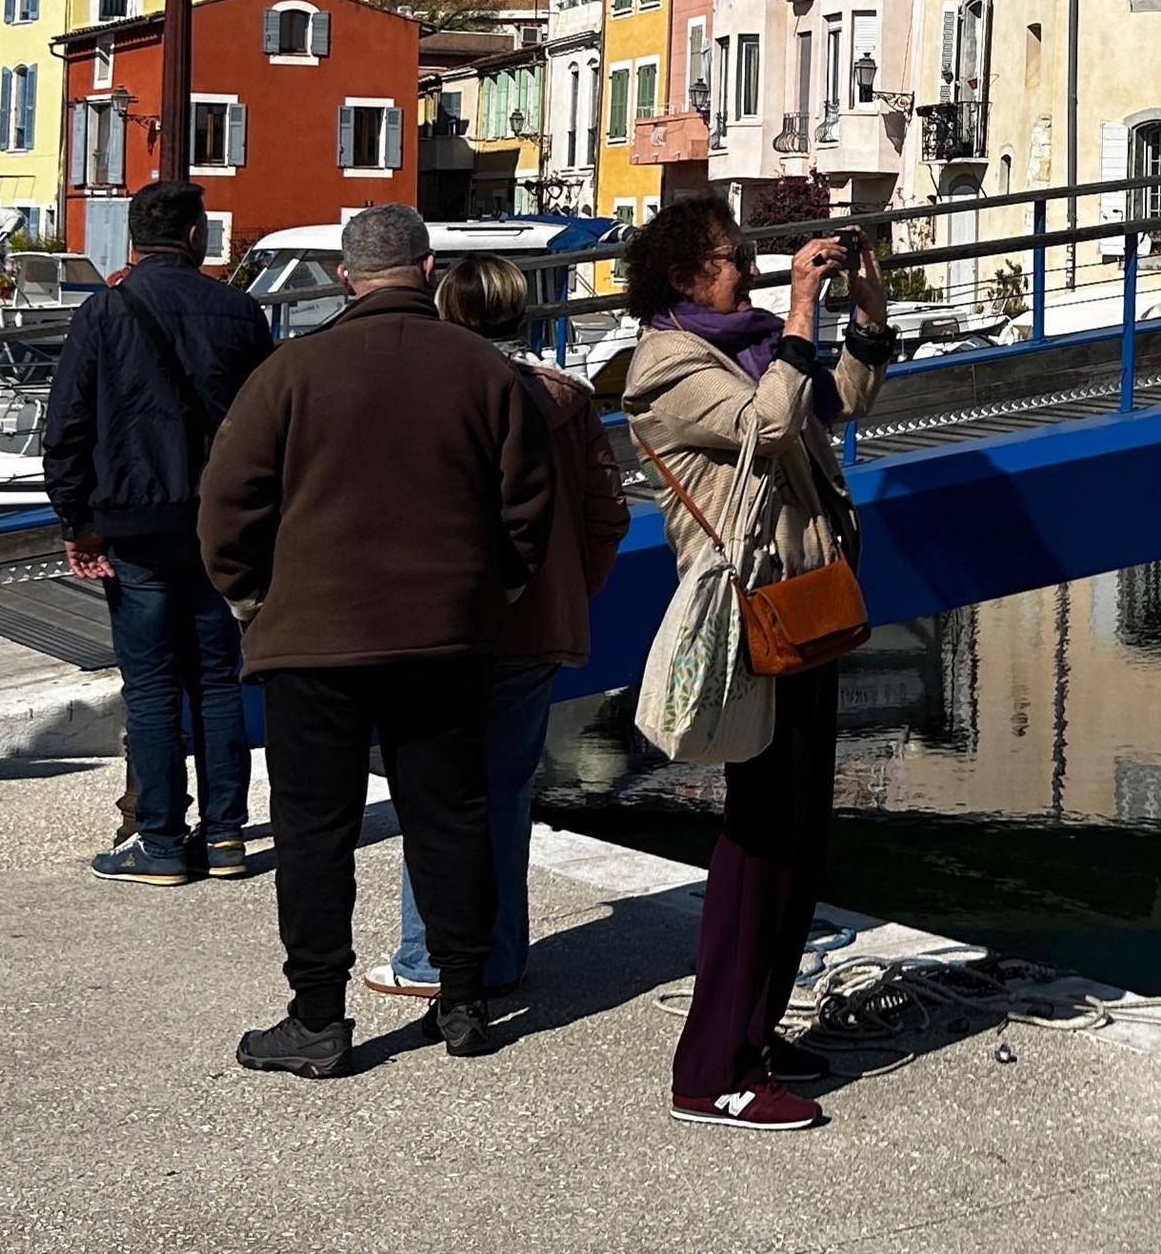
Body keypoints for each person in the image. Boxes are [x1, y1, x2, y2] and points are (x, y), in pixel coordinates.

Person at [200, 204, 554, 1079]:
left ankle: (318, 1016)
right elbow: (528, 513)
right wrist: (489, 595)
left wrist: (253, 601)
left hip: (313, 641)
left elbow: (226, 511)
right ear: (427, 269)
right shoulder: (488, 373)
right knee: (450, 816)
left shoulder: (290, 373)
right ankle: (463, 1000)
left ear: (347, 276)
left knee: (315, 830)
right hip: (445, 637)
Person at [621, 195, 892, 1133]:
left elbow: (843, 400)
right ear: (681, 276)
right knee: (759, 835)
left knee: (800, 829)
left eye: (747, 255)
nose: (750, 269)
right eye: (732, 257)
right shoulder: (666, 368)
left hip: (802, 606)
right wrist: (801, 317)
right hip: (745, 622)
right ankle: (712, 1070)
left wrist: (865, 307)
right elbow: (769, 428)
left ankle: (757, 1034)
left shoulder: (748, 343)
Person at [361, 251, 630, 1007]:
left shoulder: (426, 393)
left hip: (438, 627)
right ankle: (502, 956)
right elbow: (606, 515)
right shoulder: (569, 398)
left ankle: (428, 955)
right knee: (507, 794)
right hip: (535, 628)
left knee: (432, 794)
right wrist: (571, 590)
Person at [41, 179, 277, 887]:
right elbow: (267, 425)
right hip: (218, 523)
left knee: (148, 685)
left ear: (131, 239)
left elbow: (68, 426)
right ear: (197, 236)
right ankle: (228, 836)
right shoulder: (239, 313)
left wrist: (76, 522)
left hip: (134, 524)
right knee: (217, 679)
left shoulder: (104, 311)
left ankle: (162, 844)